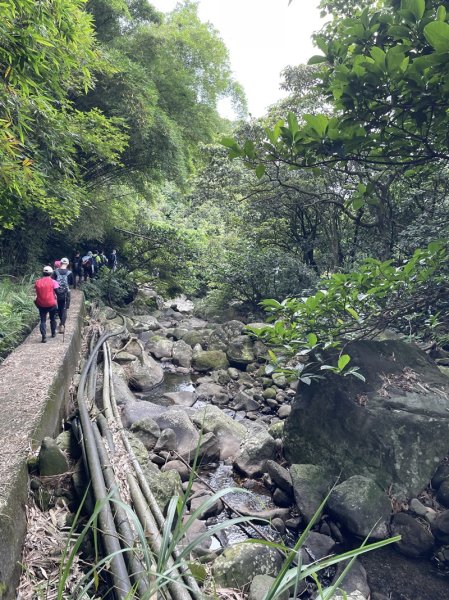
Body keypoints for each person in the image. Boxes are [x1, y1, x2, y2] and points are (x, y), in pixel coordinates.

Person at [34, 266, 59, 343]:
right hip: (51, 304)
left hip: (41, 304)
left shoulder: (37, 282)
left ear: (43, 273)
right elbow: (58, 292)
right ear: (51, 273)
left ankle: (44, 336)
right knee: (52, 318)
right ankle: (53, 333)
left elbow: (36, 290)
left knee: (43, 320)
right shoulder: (53, 282)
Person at [52, 257, 74, 334]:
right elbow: (71, 283)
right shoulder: (70, 273)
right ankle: (62, 325)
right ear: (67, 264)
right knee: (64, 309)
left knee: (59, 308)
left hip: (56, 292)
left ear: (60, 263)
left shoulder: (55, 272)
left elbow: (53, 282)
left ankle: (61, 323)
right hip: (66, 293)